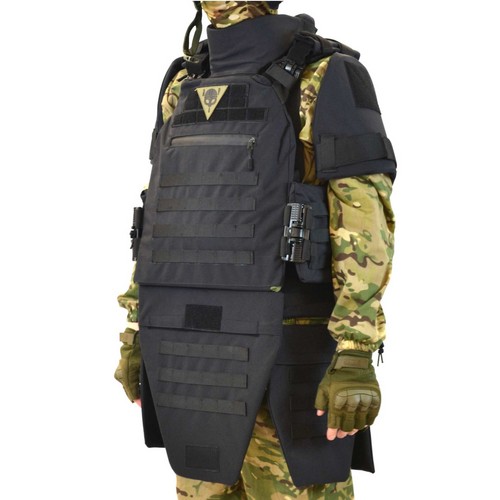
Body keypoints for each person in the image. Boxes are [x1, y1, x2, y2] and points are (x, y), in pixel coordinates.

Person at [114, 2, 396, 498]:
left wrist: (354, 351)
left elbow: (363, 218)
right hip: (191, 355)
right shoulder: (184, 81)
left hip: (289, 352)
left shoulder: (326, 75)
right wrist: (137, 328)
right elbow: (162, 212)